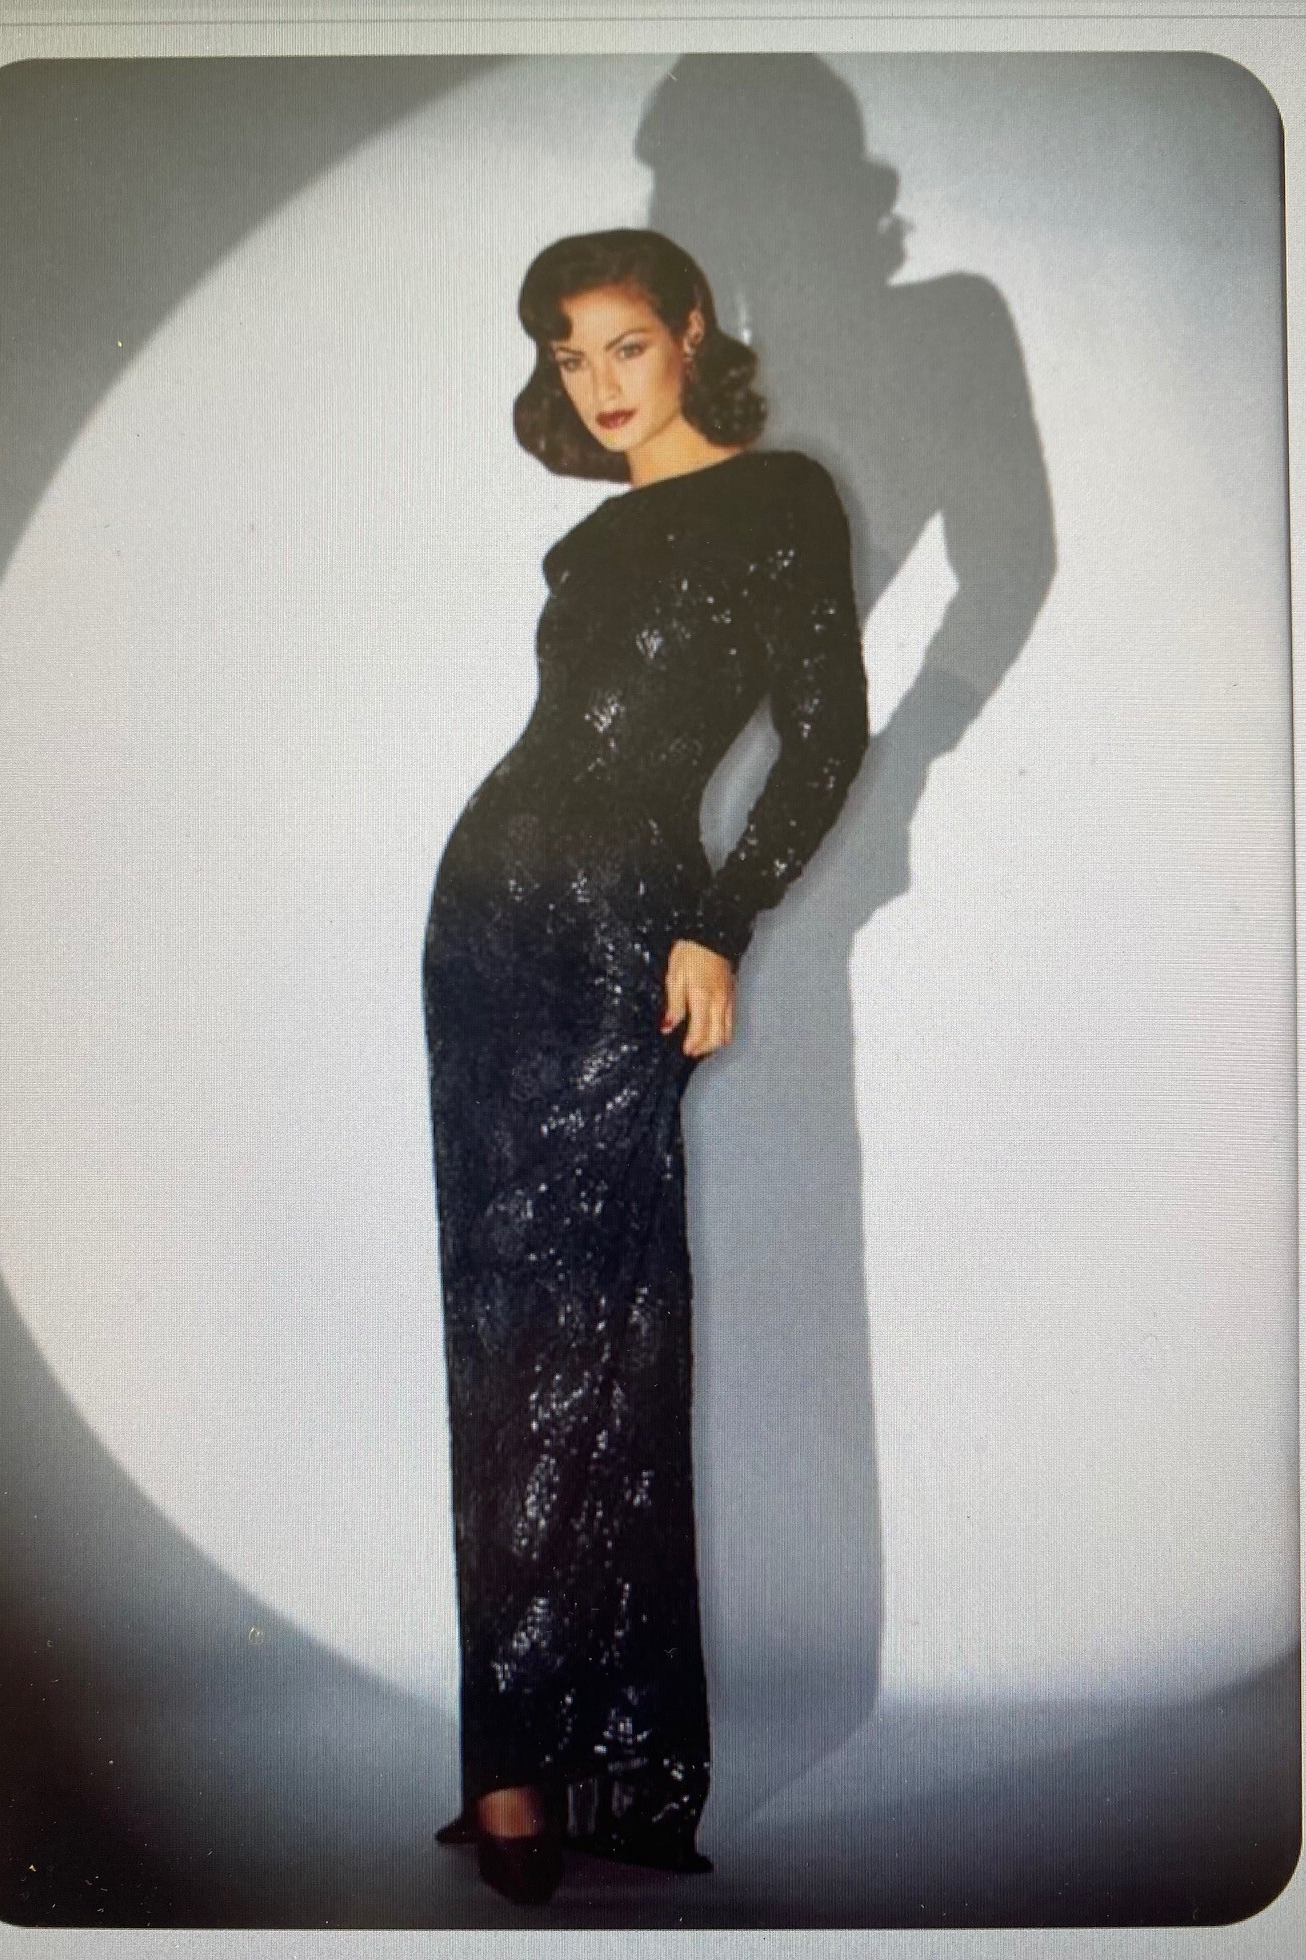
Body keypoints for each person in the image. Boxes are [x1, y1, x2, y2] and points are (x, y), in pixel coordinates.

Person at [421, 227, 869, 1907]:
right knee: (503, 1323)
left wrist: (720, 922)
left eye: (623, 344)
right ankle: (507, 1764)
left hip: (628, 926)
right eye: (568, 355)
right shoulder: (587, 538)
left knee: (608, 1318)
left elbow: (827, 735)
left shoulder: (779, 501)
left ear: (691, 332)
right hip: (489, 923)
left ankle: (590, 1750)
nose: (597, 384)